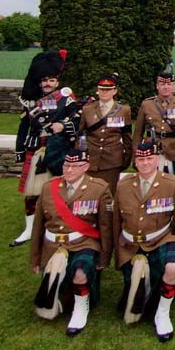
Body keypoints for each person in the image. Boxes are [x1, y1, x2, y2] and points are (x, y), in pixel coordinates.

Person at [29, 144, 113, 337]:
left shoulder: (99, 189)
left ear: (85, 167)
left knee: (80, 273)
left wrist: (105, 258)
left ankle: (81, 309)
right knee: (55, 293)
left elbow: (105, 227)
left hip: (83, 242)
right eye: (66, 165)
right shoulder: (49, 188)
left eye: (75, 166)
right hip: (52, 246)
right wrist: (35, 258)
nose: (69, 170)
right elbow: (38, 226)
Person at [112, 140, 175, 342]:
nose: (145, 163)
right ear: (135, 162)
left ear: (157, 160)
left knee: (172, 267)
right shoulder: (123, 186)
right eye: (141, 159)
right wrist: (116, 253)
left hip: (161, 239)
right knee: (134, 300)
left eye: (149, 158)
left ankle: (163, 313)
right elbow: (115, 223)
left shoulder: (171, 183)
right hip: (131, 245)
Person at [12, 49, 81, 247]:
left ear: (57, 81)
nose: (47, 83)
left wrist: (63, 126)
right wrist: (20, 149)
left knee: (60, 191)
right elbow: (23, 126)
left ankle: (58, 225)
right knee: (32, 193)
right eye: (44, 80)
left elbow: (78, 120)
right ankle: (29, 229)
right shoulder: (31, 103)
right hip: (36, 150)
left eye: (51, 80)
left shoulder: (66, 99)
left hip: (59, 150)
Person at [133, 63, 175, 178]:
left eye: (169, 84)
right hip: (151, 149)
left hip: (174, 150)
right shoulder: (147, 104)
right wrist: (136, 155)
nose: (166, 87)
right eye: (162, 84)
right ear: (157, 86)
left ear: (173, 86)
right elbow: (138, 133)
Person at [80, 73, 132, 194]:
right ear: (97, 90)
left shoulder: (123, 110)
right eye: (102, 90)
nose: (104, 93)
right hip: (90, 160)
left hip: (111, 161)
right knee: (88, 195)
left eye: (108, 90)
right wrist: (81, 156)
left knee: (108, 196)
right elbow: (81, 135)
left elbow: (127, 138)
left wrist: (126, 159)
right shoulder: (87, 109)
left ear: (115, 91)